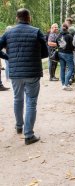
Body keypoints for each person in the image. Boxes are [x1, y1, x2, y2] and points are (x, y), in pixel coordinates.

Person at [0, 8, 48, 145]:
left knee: (17, 98)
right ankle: (29, 135)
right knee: (31, 101)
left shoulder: (8, 33)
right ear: (29, 17)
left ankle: (19, 126)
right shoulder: (36, 31)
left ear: (17, 18)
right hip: (32, 72)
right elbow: (45, 53)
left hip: (15, 72)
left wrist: (8, 57)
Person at [56, 23, 74, 91]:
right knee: (71, 69)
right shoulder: (69, 36)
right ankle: (66, 84)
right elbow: (73, 46)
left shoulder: (58, 36)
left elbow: (57, 44)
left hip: (60, 53)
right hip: (68, 54)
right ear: (67, 29)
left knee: (62, 69)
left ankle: (63, 84)